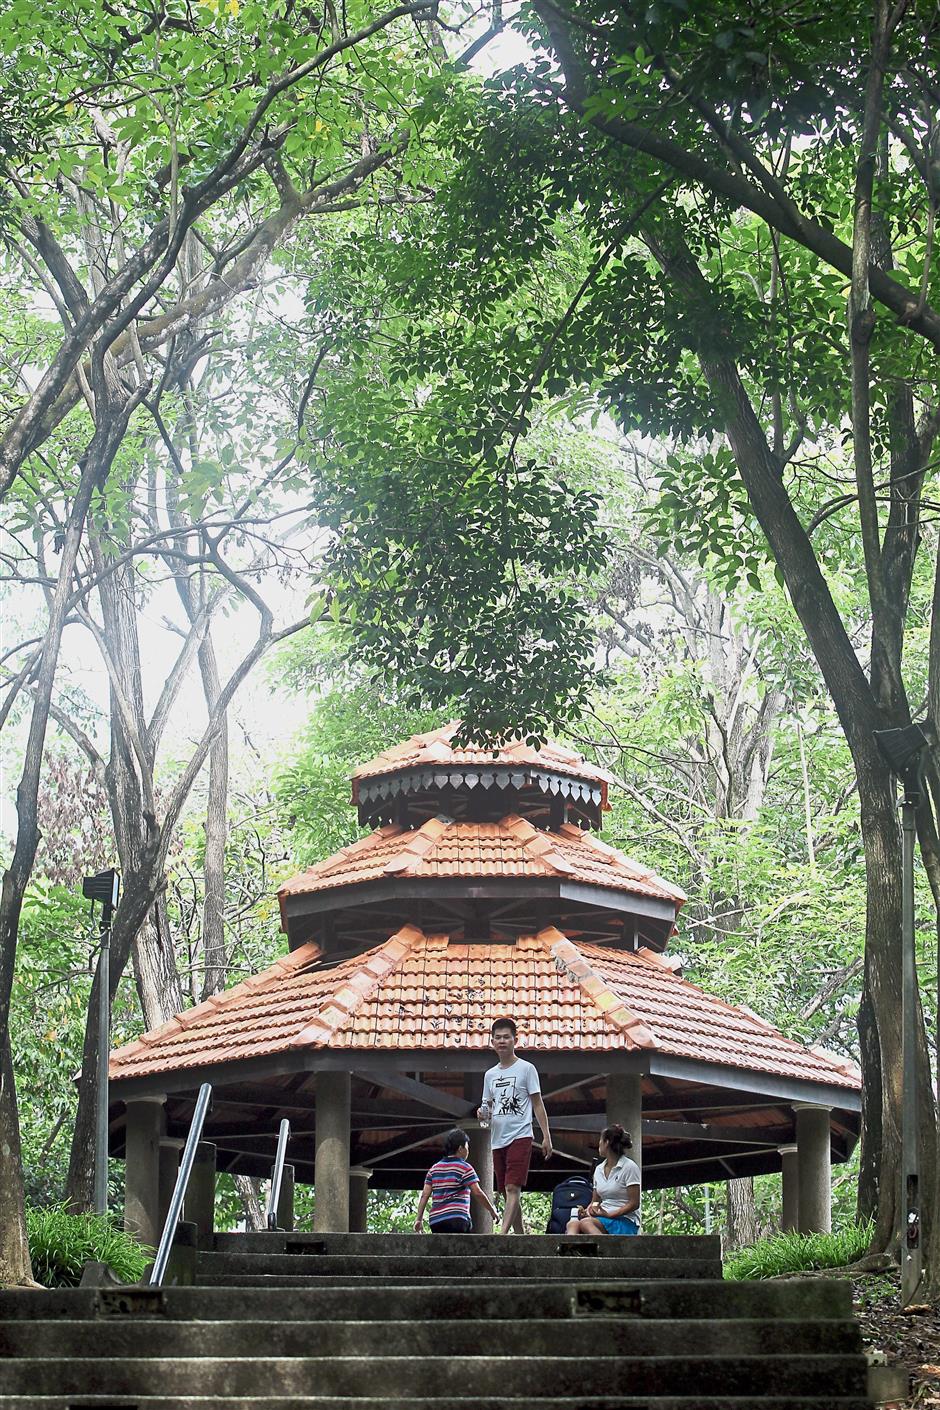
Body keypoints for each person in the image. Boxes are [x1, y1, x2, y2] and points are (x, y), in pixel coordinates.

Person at [477, 1016, 552, 1235]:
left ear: (515, 1040)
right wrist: (482, 1115)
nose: (502, 1041)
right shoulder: (490, 1075)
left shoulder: (527, 1069)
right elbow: (487, 1111)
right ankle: (520, 1236)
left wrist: (546, 1135)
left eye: (506, 1037)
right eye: (498, 1038)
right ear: (492, 1042)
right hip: (497, 1137)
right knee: (507, 1190)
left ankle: (501, 1236)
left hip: (521, 1134)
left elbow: (537, 1104)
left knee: (512, 1187)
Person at [413, 1127, 498, 1233]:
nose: (468, 1150)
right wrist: (491, 1210)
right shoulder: (465, 1167)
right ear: (460, 1148)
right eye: (467, 1147)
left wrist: (419, 1219)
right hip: (457, 1219)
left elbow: (425, 1195)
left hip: (436, 1221)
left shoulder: (434, 1169)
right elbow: (477, 1192)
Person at [565, 1124, 641, 1236]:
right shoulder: (599, 1169)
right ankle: (569, 1251)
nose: (599, 1143)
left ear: (607, 1142)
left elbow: (634, 1203)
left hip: (624, 1220)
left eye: (600, 1140)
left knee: (586, 1223)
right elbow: (596, 1200)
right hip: (603, 1218)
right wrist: (590, 1210)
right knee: (572, 1224)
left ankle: (605, 1250)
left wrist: (611, 1214)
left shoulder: (629, 1167)